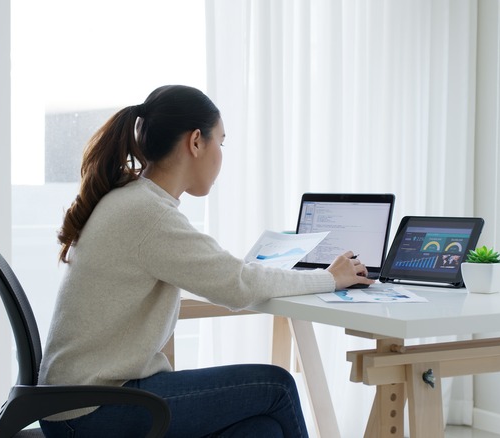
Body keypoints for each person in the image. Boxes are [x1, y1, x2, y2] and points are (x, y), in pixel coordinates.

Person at [38, 84, 372, 437]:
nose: (222, 155)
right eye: (221, 142)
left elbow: (230, 280)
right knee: (277, 386)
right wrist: (330, 278)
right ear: (196, 142)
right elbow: (238, 285)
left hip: (80, 403)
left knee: (263, 429)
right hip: (91, 411)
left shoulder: (136, 201)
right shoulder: (148, 214)